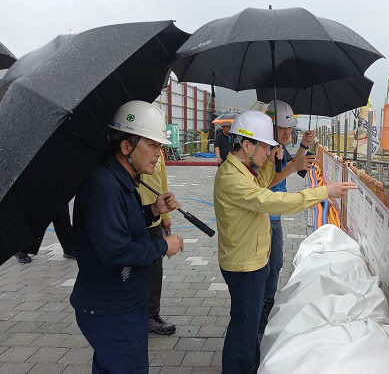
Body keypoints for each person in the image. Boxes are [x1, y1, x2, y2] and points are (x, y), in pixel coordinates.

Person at [213, 110, 357, 374]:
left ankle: (247, 363)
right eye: (266, 147)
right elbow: (272, 200)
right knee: (243, 328)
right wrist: (324, 191)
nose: (268, 152)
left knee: (247, 322)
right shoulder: (233, 178)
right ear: (247, 145)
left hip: (251, 257)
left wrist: (277, 161)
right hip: (244, 263)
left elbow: (266, 182)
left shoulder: (244, 169)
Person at [70, 100, 184, 374]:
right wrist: (162, 246)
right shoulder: (105, 185)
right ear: (126, 147)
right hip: (111, 309)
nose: (160, 153)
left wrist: (152, 210)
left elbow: (121, 225)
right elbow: (115, 252)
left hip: (123, 304)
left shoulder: (120, 179)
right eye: (154, 145)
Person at [259, 100, 317, 332]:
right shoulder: (264, 151)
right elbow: (264, 184)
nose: (288, 132)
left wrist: (303, 145)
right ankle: (261, 310)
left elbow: (292, 164)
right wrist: (291, 166)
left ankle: (266, 307)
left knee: (275, 265)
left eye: (290, 128)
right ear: (270, 127)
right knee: (266, 268)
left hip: (275, 218)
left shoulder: (278, 150)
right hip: (263, 219)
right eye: (283, 128)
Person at [139, 147, 176, 335]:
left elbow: (162, 183)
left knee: (155, 268)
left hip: (154, 216)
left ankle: (152, 314)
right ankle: (136, 314)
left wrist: (166, 215)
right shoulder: (128, 152)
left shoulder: (158, 152)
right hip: (132, 218)